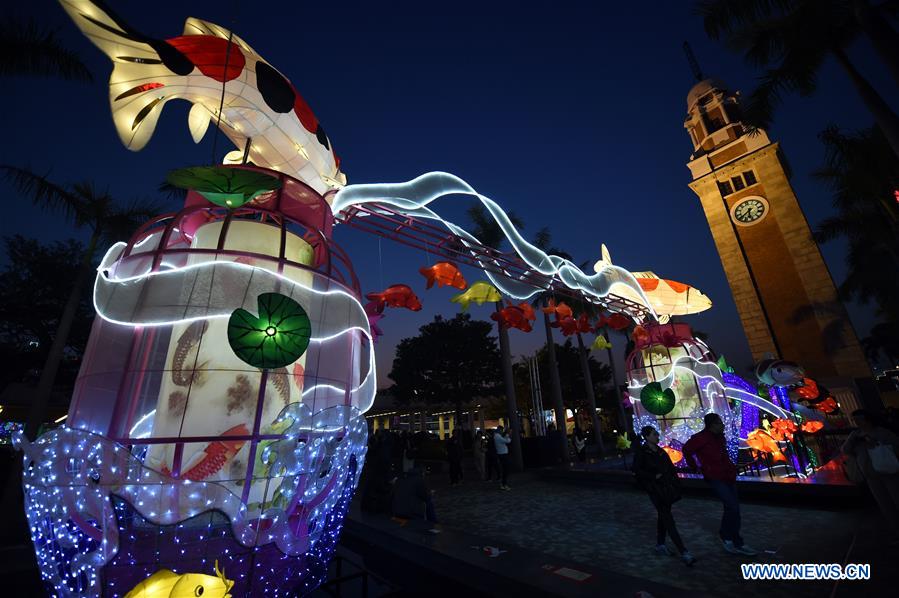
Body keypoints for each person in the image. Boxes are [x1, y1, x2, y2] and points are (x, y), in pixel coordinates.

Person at [683, 413, 757, 556]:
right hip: (715, 476)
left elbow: (723, 455)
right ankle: (732, 539)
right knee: (732, 507)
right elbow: (687, 450)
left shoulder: (719, 437)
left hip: (727, 475)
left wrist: (730, 467)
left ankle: (730, 538)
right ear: (712, 425)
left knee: (733, 507)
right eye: (719, 423)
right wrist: (696, 467)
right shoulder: (700, 438)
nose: (722, 425)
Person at [633, 426, 696, 566]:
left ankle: (660, 544)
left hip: (666, 488)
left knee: (664, 515)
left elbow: (671, 469)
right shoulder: (642, 453)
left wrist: (675, 484)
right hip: (655, 489)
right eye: (654, 434)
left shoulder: (661, 452)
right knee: (668, 519)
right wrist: (653, 476)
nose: (657, 437)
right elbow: (637, 471)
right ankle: (684, 552)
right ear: (647, 437)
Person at [842, 409, 899, 541]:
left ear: (867, 419)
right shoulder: (856, 435)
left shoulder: (881, 433)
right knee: (885, 505)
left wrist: (875, 444)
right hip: (871, 475)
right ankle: (897, 532)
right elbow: (845, 450)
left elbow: (896, 446)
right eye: (855, 420)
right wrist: (853, 440)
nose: (857, 422)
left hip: (888, 472)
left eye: (859, 419)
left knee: (895, 500)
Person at [494, 425, 512, 490]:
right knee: (506, 470)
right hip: (503, 455)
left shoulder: (497, 436)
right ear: (499, 430)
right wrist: (508, 435)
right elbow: (508, 441)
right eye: (501, 430)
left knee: (505, 470)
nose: (502, 432)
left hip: (501, 454)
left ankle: (503, 484)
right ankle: (504, 484)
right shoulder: (497, 436)